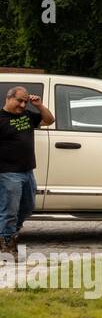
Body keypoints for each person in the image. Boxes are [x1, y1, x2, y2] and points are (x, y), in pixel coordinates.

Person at [0, 86, 54, 254]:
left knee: (28, 206)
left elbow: (49, 120)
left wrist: (38, 105)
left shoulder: (27, 115)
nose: (23, 105)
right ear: (8, 99)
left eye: (25, 101)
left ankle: (8, 234)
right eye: (19, 101)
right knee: (10, 209)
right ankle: (7, 241)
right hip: (8, 172)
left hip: (27, 171)